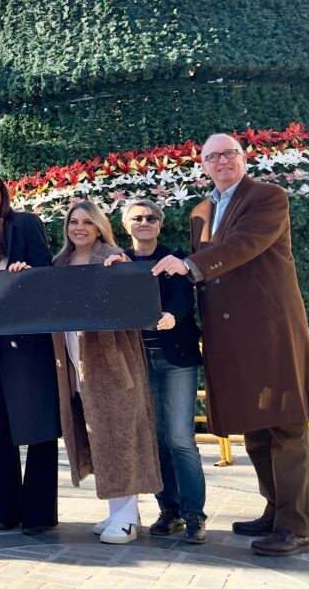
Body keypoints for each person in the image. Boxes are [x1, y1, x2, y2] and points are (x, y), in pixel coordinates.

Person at [153, 133, 309, 557]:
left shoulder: (268, 197)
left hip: (269, 331)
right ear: (203, 165)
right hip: (227, 337)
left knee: (286, 425)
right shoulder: (200, 212)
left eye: (230, 153)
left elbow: (245, 245)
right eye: (212, 157)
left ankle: (295, 526)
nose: (222, 161)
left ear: (243, 158)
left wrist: (191, 264)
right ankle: (274, 510)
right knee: (254, 428)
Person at [51, 200, 161, 544]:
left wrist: (121, 274)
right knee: (99, 434)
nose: (79, 228)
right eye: (73, 222)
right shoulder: (60, 263)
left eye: (86, 222)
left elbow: (133, 306)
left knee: (119, 435)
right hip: (75, 361)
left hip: (112, 364)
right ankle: (123, 512)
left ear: (99, 226)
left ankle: (125, 518)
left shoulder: (113, 258)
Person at [0, 170, 61, 535]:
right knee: (2, 424)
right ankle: (7, 510)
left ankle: (38, 513)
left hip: (27, 338)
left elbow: (45, 271)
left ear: (2, 193)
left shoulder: (25, 224)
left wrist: (27, 271)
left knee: (36, 421)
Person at [109, 200, 206, 544]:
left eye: (151, 218)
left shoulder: (174, 258)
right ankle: (170, 511)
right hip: (138, 360)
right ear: (126, 225)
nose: (144, 222)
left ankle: (195, 514)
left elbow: (183, 298)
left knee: (180, 438)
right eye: (137, 218)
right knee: (156, 439)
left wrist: (174, 317)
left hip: (176, 358)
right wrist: (108, 273)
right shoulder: (117, 262)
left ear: (160, 225)